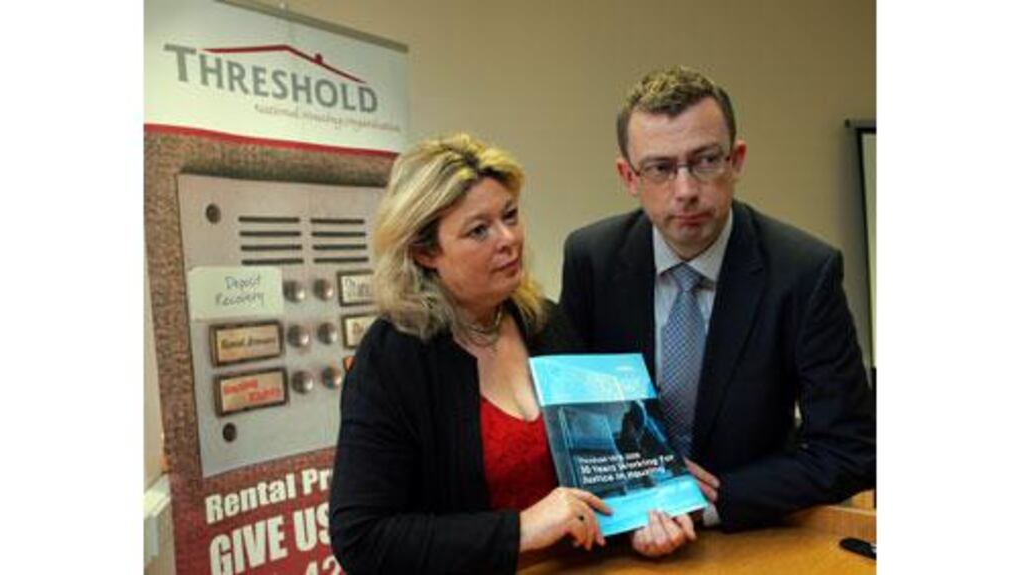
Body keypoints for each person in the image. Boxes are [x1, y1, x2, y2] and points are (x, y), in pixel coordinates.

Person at [559, 66, 877, 557]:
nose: (685, 190)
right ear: (628, 176)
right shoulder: (591, 260)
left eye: (705, 161)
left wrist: (706, 503)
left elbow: (851, 450)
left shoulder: (803, 272)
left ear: (737, 160)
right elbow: (574, 419)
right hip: (620, 541)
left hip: (753, 535)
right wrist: (637, 502)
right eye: (661, 168)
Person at [329, 133, 611, 574]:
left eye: (510, 216)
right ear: (425, 252)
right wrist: (518, 530)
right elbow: (362, 537)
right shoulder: (392, 358)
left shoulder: (547, 323)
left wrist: (643, 514)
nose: (508, 239)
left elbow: (601, 464)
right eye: (479, 230)